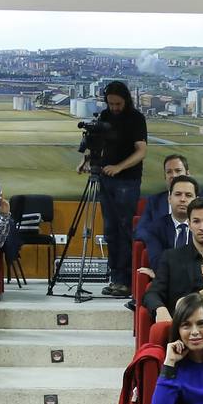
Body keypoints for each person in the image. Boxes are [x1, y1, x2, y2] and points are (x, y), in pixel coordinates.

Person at [90, 82, 150, 299]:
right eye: (111, 103)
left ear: (126, 100)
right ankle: (115, 278)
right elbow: (96, 144)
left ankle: (126, 281)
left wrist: (119, 167)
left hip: (127, 181)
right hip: (106, 180)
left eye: (118, 104)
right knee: (110, 231)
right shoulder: (105, 116)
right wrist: (87, 161)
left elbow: (141, 151)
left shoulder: (136, 119)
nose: (114, 108)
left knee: (125, 229)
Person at [133, 174, 199, 276]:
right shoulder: (155, 229)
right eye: (178, 194)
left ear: (196, 200)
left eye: (188, 195)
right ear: (169, 198)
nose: (183, 199)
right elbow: (158, 263)